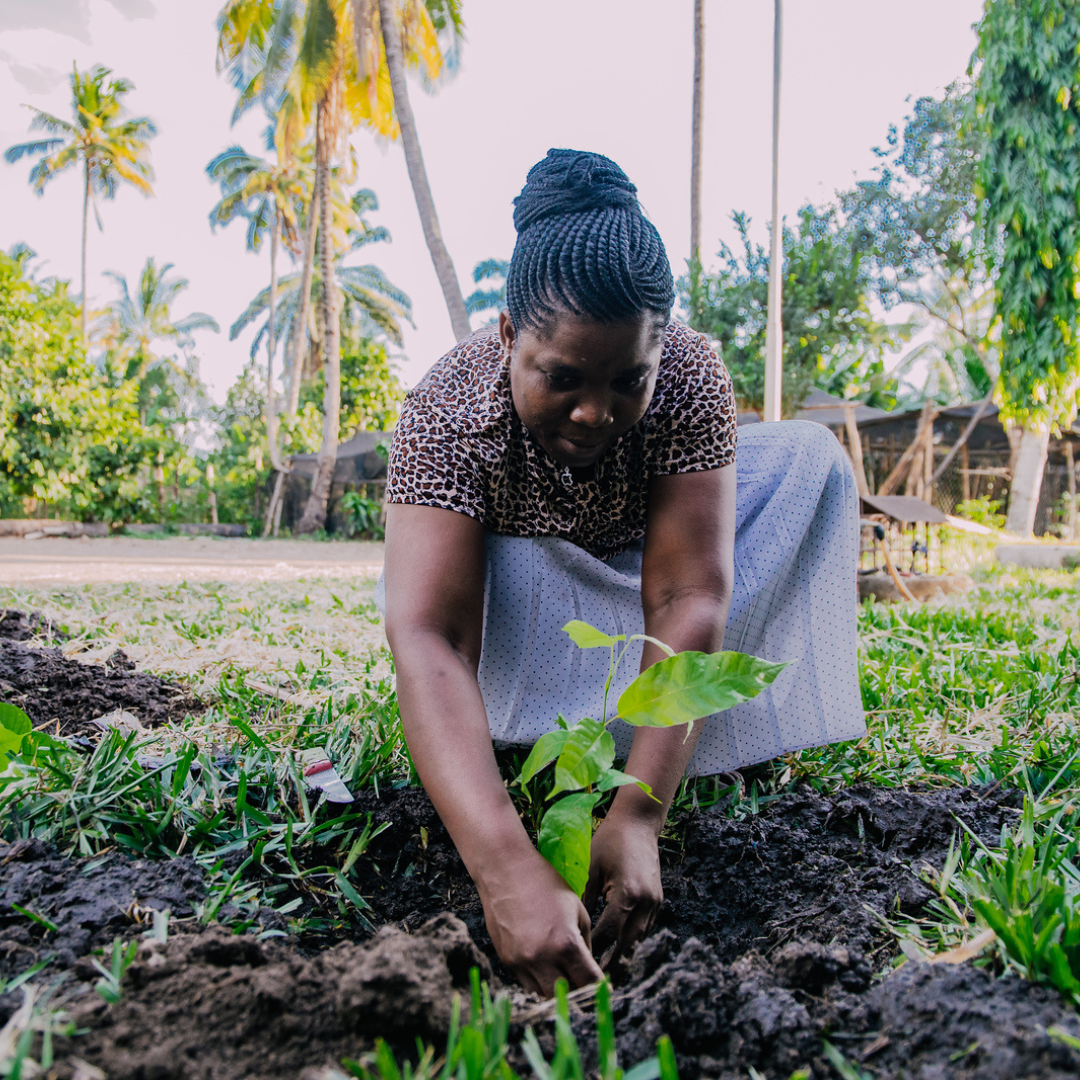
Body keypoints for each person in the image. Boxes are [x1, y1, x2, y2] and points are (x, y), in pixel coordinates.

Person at [379, 149, 864, 998]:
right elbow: (429, 633)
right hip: (519, 605)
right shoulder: (446, 410)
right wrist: (503, 868)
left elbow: (688, 593)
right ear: (506, 336)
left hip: (641, 594)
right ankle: (526, 732)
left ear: (659, 352)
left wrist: (638, 808)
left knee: (809, 463)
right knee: (482, 573)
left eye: (626, 381)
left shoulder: (687, 376)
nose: (597, 412)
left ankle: (671, 746)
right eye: (562, 378)